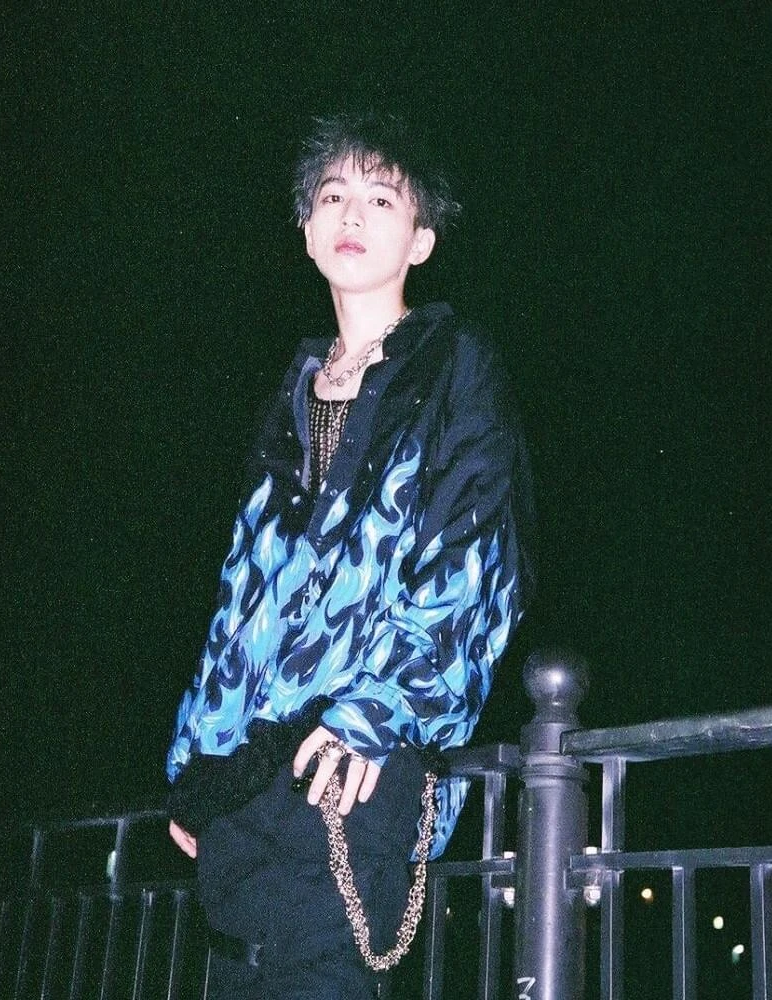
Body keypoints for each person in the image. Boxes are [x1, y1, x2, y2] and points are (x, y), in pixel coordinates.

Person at [165, 111, 534, 999]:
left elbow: (475, 560)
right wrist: (196, 762)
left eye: (381, 198)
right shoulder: (293, 390)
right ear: (306, 231)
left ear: (421, 240)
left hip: (358, 765)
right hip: (248, 778)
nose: (352, 214)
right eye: (332, 196)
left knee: (319, 976)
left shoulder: (454, 369)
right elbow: (246, 590)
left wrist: (381, 708)